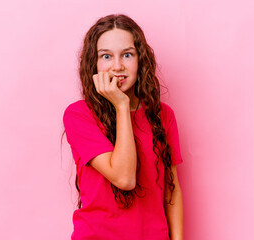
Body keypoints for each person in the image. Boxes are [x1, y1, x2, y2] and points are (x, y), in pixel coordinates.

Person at [63, 14, 183, 240]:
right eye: (106, 56)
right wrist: (121, 104)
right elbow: (124, 179)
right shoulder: (79, 115)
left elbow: (172, 190)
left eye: (127, 55)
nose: (118, 66)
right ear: (94, 64)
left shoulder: (163, 116)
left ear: (140, 60)